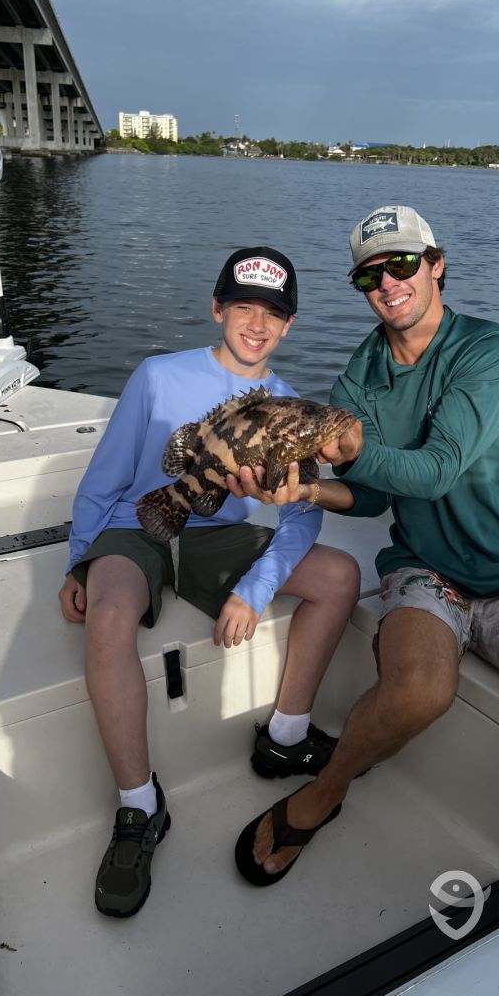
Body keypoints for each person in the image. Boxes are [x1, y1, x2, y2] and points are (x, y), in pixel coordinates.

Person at [231, 206, 499, 909]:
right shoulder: (358, 380)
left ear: (436, 265)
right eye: (369, 275)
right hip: (425, 570)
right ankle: (323, 794)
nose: (387, 283)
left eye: (402, 264)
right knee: (419, 692)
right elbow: (372, 497)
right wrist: (303, 488)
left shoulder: (491, 353)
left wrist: (352, 450)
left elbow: (435, 471)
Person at [59, 246, 360, 918]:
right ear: (217, 308)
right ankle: (140, 807)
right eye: (244, 307)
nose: (257, 324)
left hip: (218, 540)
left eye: (273, 314)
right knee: (108, 615)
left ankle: (286, 736)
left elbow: (303, 514)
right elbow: (106, 477)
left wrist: (253, 591)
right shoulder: (157, 377)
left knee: (340, 575)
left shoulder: (290, 410)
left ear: (289, 325)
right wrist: (79, 559)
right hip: (138, 524)